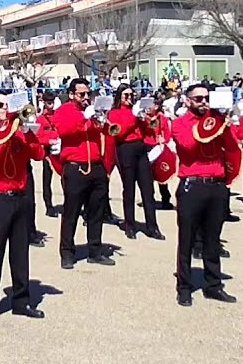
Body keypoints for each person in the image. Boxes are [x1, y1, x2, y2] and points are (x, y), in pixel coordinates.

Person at [0, 90, 46, 324]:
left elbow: (38, 154)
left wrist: (25, 131)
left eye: (7, 105)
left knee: (20, 252)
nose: (4, 109)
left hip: (20, 197)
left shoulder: (20, 131)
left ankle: (21, 300)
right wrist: (7, 129)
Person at [171, 83, 239, 306]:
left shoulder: (218, 120)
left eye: (206, 98)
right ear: (188, 101)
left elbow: (231, 147)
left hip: (216, 185)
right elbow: (187, 145)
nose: (203, 102)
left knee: (212, 239)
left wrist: (225, 122)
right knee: (187, 239)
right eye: (198, 98)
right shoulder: (180, 123)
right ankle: (184, 286)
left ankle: (213, 285)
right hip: (192, 184)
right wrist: (211, 124)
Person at [54, 78, 112, 270]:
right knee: (71, 212)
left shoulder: (93, 110)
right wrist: (84, 117)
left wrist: (102, 119)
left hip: (96, 165)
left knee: (96, 211)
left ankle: (95, 250)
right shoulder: (64, 111)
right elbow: (64, 131)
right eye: (82, 94)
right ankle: (67, 252)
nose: (86, 97)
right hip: (75, 167)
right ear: (71, 95)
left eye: (88, 93)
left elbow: (108, 132)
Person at [106, 85, 162, 240]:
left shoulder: (136, 111)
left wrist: (148, 119)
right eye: (126, 95)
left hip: (140, 147)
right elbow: (118, 132)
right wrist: (134, 118)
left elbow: (151, 129)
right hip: (125, 148)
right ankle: (129, 225)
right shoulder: (114, 113)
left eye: (131, 95)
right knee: (129, 189)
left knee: (148, 189)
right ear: (120, 97)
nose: (129, 98)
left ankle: (152, 226)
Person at [142, 97, 174, 211]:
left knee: (161, 173)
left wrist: (163, 140)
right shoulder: (143, 118)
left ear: (156, 106)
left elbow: (167, 132)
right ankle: (149, 199)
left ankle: (166, 198)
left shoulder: (162, 118)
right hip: (146, 146)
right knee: (147, 176)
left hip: (158, 147)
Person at [34, 91, 60, 217]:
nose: (51, 104)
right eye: (48, 102)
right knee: (47, 180)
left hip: (59, 150)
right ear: (44, 102)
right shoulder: (40, 119)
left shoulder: (58, 115)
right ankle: (49, 207)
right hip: (47, 152)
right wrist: (48, 141)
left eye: (52, 102)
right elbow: (37, 137)